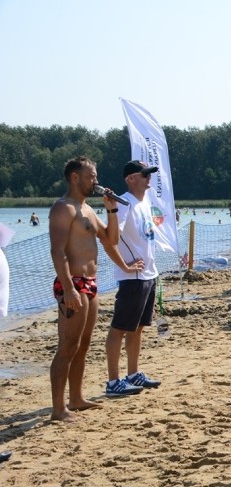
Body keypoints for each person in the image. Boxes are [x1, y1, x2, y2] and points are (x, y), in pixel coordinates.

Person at [49, 157, 142, 418]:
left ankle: (76, 398)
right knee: (67, 345)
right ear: (75, 178)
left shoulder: (88, 210)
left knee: (83, 344)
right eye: (91, 176)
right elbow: (57, 252)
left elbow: (111, 239)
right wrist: (68, 288)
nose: (96, 181)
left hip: (91, 283)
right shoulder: (63, 208)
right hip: (73, 283)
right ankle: (58, 408)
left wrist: (111, 210)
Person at [104, 160, 165, 397]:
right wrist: (124, 265)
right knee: (119, 328)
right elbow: (110, 237)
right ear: (131, 178)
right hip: (133, 277)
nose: (148, 178)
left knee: (138, 328)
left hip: (148, 273)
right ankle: (113, 382)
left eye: (149, 174)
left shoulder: (144, 202)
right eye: (144, 174)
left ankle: (133, 373)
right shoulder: (124, 202)